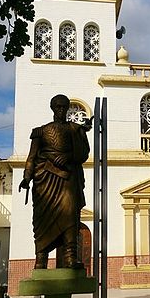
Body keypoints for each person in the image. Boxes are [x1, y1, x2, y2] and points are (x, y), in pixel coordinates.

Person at [19, 94, 91, 270]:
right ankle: (41, 259)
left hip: (68, 179)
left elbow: (83, 154)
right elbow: (31, 157)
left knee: (70, 214)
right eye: (58, 107)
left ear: (67, 109)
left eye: (64, 107)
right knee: (42, 218)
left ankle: (70, 258)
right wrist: (27, 177)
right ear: (52, 108)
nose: (61, 110)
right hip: (45, 180)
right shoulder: (40, 131)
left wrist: (67, 156)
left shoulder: (75, 130)